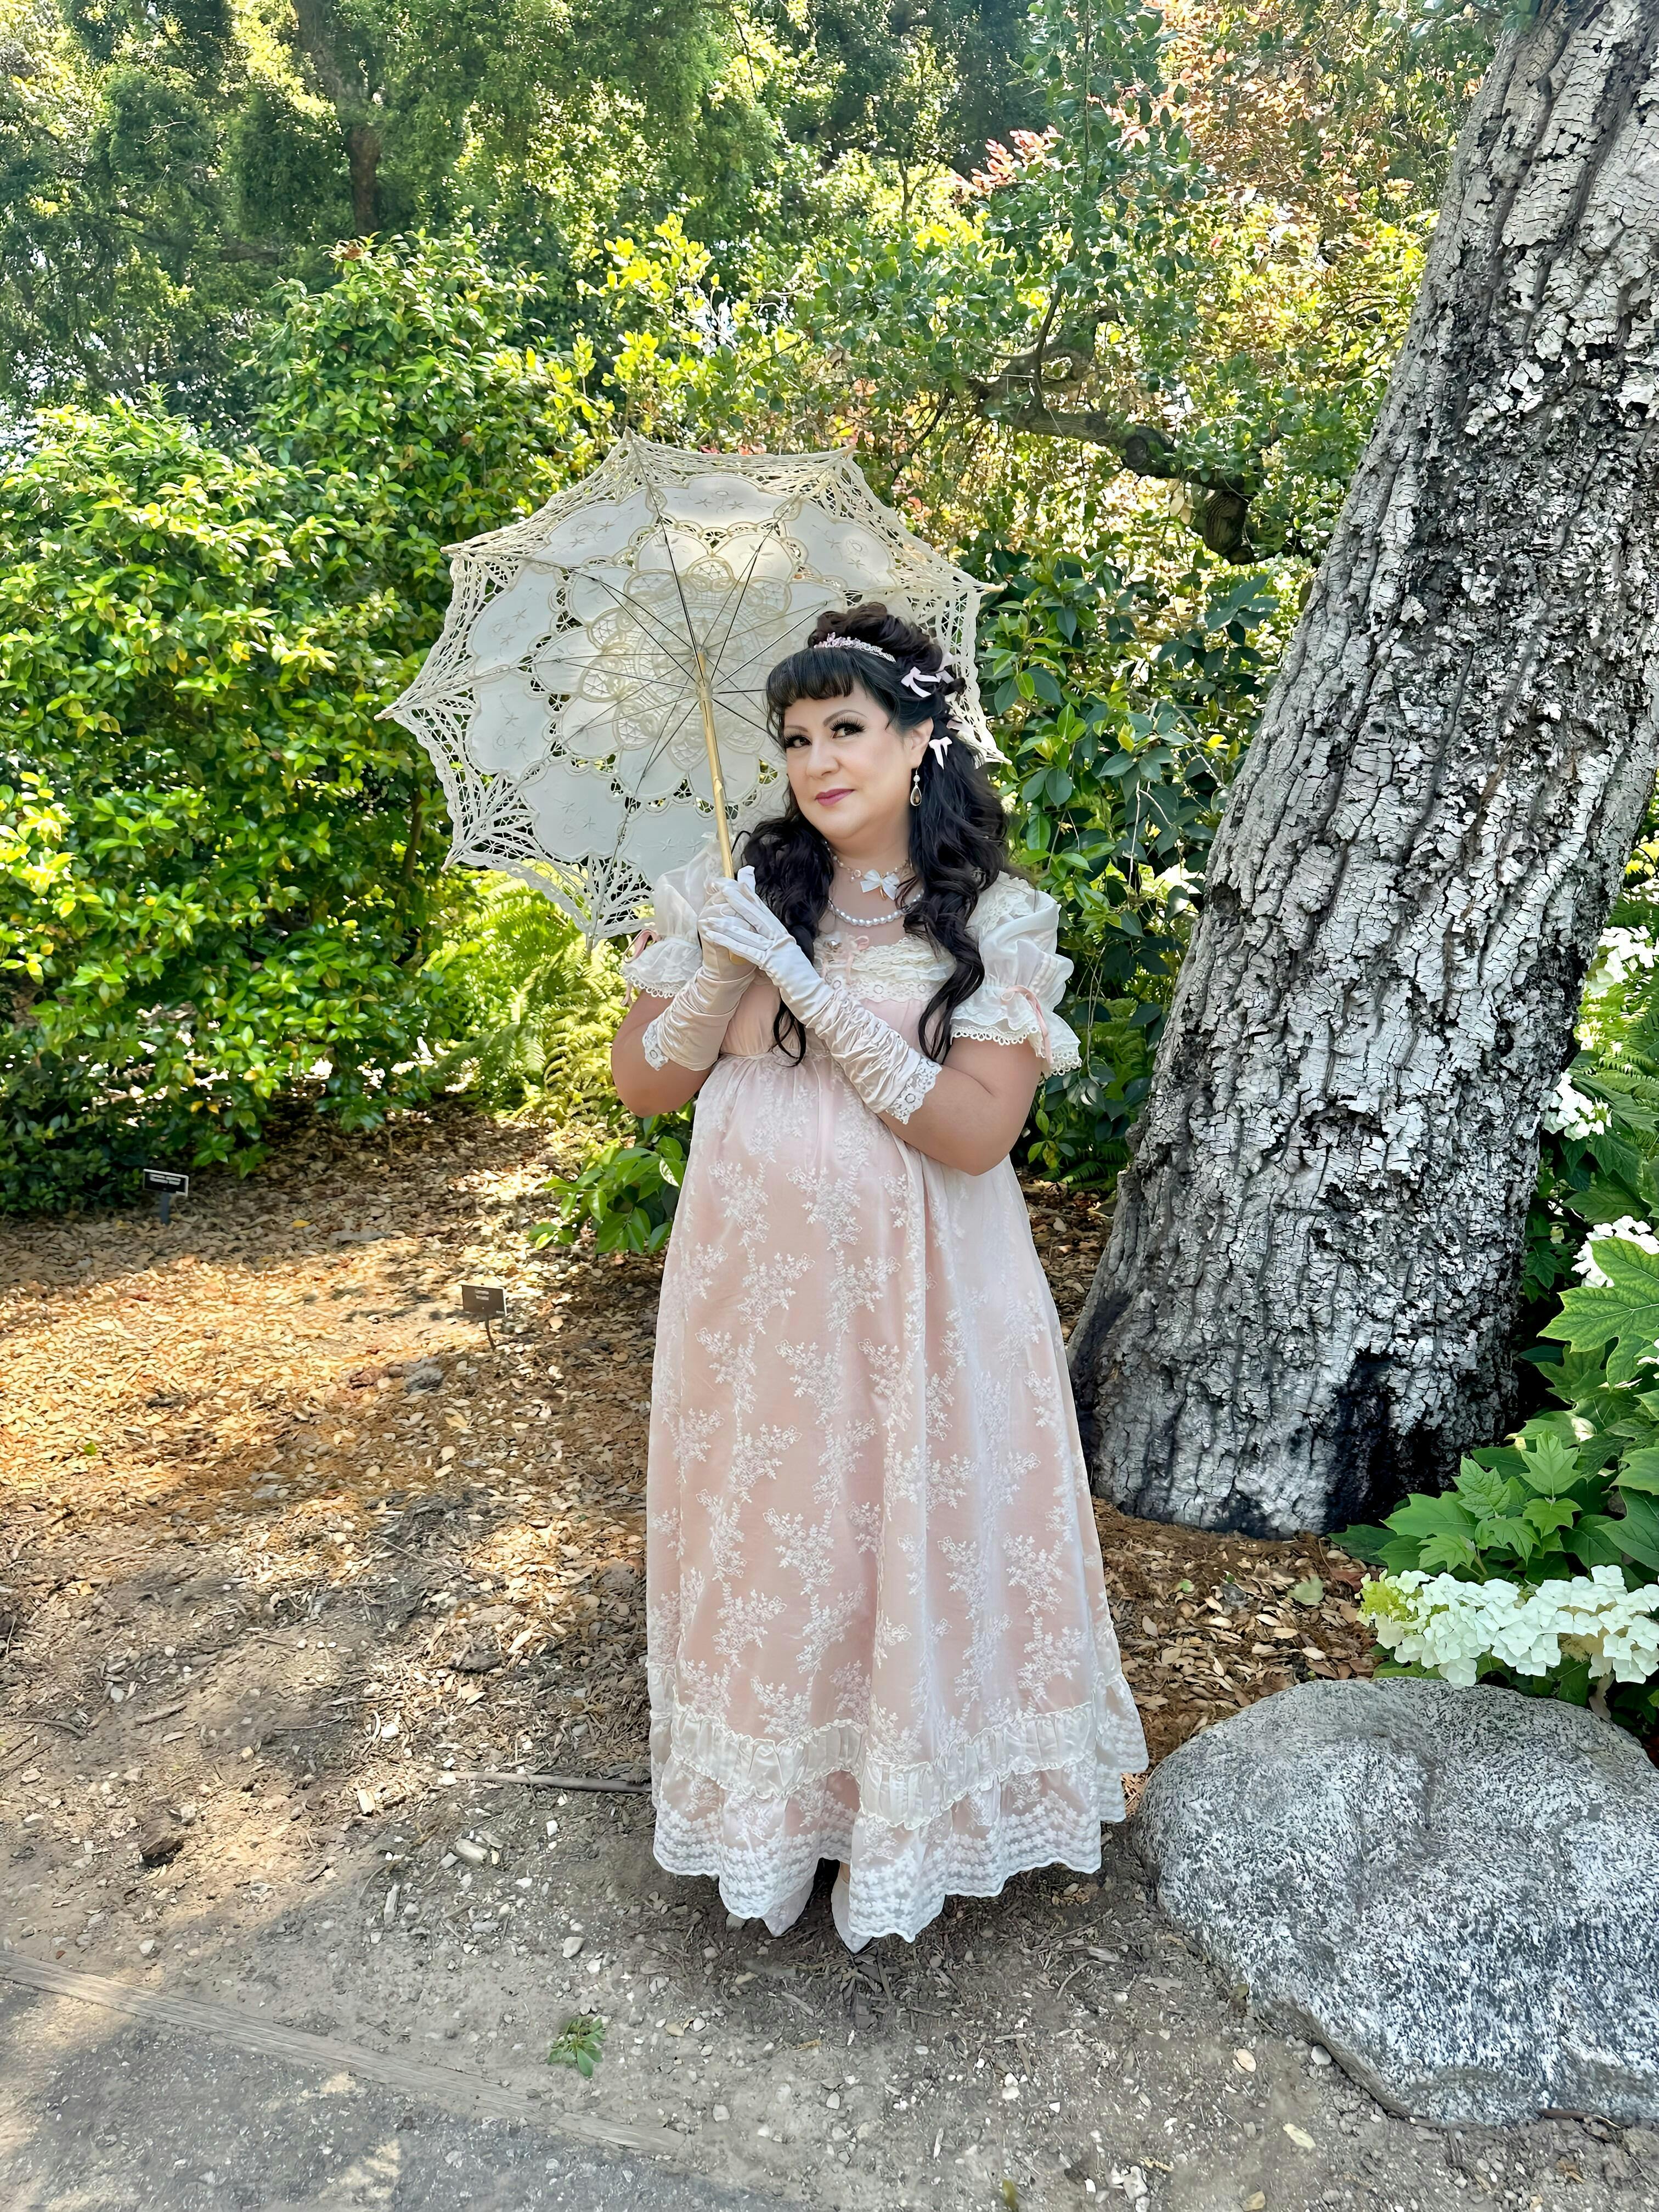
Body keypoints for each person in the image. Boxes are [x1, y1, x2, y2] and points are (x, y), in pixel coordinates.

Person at [611, 601, 1146, 1952]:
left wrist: (813, 993)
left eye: (845, 728)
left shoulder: (996, 918)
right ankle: (775, 1817)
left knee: (904, 1514)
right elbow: (643, 1090)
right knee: (780, 1524)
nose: (817, 762)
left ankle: (908, 1813)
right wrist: (722, 967)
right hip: (753, 1293)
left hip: (926, 1293)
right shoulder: (725, 891)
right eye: (795, 738)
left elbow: (974, 1133)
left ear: (920, 741)